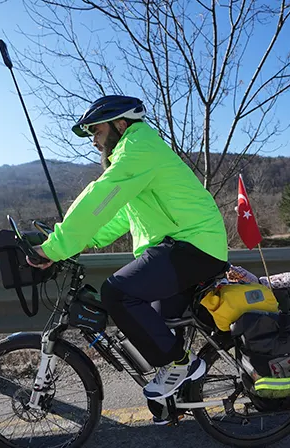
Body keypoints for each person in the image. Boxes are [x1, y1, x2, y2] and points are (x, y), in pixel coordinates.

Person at [27, 95, 228, 411]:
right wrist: (80, 243)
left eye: (97, 131)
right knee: (159, 328)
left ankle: (181, 366)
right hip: (187, 246)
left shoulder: (138, 149)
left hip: (193, 245)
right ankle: (173, 404)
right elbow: (119, 215)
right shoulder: (138, 154)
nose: (94, 141)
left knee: (117, 293)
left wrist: (56, 246)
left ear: (120, 124)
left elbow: (101, 196)